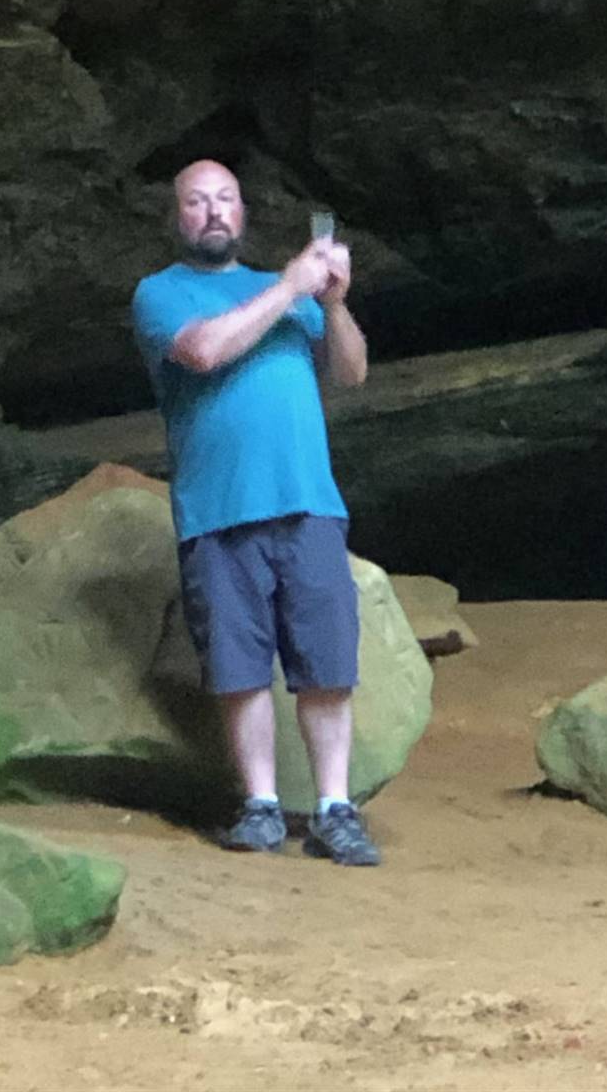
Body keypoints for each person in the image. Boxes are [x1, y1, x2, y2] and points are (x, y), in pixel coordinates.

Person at [130, 159, 381, 866]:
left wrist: (331, 304)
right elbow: (203, 351)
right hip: (218, 508)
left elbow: (353, 372)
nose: (213, 212)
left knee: (326, 661)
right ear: (177, 217)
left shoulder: (288, 292)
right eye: (197, 202)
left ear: (243, 213)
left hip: (306, 498)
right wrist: (290, 287)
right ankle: (262, 804)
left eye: (225, 200)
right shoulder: (161, 293)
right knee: (239, 668)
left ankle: (335, 807)